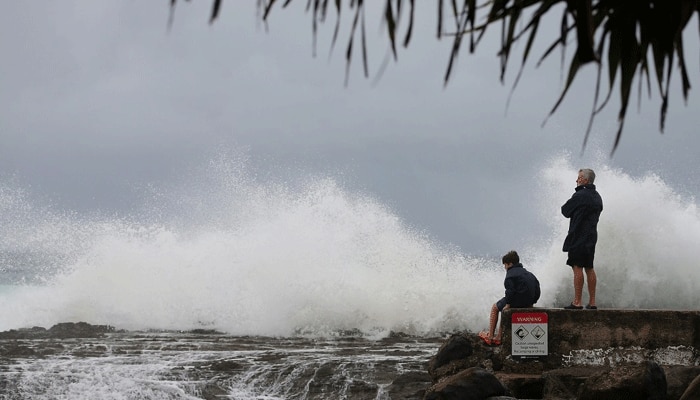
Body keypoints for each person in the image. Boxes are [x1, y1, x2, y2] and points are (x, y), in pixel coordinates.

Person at [561, 168, 603, 310]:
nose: (576, 180)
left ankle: (577, 302)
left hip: (578, 235)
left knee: (577, 267)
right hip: (592, 236)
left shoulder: (580, 195)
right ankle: (592, 302)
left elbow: (565, 211)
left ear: (585, 180)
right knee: (589, 267)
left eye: (579, 178)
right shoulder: (597, 197)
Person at [479, 250, 541, 346]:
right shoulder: (529, 274)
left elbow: (510, 291)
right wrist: (532, 302)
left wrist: (508, 304)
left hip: (518, 300)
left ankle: (490, 336)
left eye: (505, 265)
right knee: (503, 308)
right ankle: (499, 335)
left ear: (510, 264)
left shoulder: (511, 274)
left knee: (495, 308)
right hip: (529, 301)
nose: (505, 267)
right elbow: (537, 289)